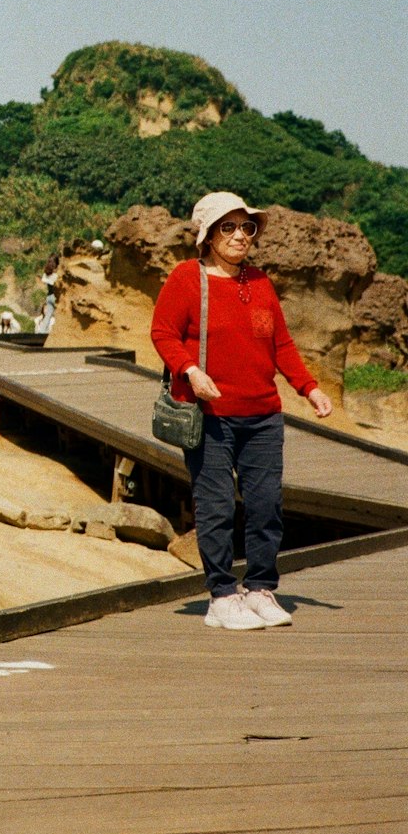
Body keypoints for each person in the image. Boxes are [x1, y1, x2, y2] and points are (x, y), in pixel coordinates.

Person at [151, 191, 334, 632]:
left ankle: (260, 589)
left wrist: (308, 388)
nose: (239, 236)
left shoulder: (260, 283)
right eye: (228, 227)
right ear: (208, 235)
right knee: (215, 508)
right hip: (211, 416)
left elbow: (281, 346)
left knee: (266, 505)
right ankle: (221, 596)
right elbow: (162, 333)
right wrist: (190, 370)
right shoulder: (185, 279)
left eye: (246, 227)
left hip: (264, 416)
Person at [36, 255, 60, 335]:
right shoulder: (56, 275)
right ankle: (58, 332)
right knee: (60, 315)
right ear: (57, 264)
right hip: (55, 297)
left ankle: (42, 331)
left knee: (48, 316)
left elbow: (44, 281)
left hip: (49, 297)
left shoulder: (46, 273)